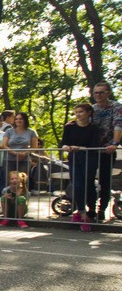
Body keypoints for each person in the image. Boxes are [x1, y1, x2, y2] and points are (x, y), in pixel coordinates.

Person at [62, 103, 101, 231]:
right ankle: (81, 212)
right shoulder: (70, 127)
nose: (78, 114)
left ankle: (91, 209)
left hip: (89, 157)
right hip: (74, 157)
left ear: (89, 113)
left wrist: (81, 148)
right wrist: (66, 147)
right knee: (77, 184)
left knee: (88, 184)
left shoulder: (94, 128)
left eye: (81, 112)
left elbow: (94, 145)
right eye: (76, 112)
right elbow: (63, 142)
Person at [90, 82, 122, 222]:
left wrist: (114, 143)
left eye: (101, 92)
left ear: (108, 93)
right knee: (88, 179)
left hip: (107, 149)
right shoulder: (92, 109)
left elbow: (118, 125)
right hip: (92, 150)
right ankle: (90, 207)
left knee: (105, 180)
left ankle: (102, 209)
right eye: (96, 93)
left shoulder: (116, 107)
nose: (98, 95)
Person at [0, 112, 39, 185]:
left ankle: (22, 195)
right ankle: (10, 195)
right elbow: (4, 145)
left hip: (24, 159)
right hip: (9, 159)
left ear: (25, 120)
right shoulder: (9, 131)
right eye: (16, 119)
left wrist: (24, 153)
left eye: (21, 119)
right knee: (9, 180)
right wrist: (14, 153)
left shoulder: (31, 132)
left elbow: (34, 147)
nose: (18, 120)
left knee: (23, 180)